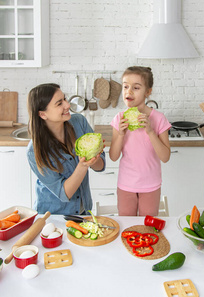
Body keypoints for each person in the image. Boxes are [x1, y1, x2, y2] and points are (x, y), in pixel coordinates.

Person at [27, 83, 105, 215]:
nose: (68, 105)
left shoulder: (79, 122)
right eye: (59, 103)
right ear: (42, 114)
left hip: (84, 211)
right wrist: (83, 165)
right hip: (53, 215)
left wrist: (94, 154)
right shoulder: (34, 150)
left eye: (65, 99)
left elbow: (100, 166)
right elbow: (65, 193)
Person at [109, 66, 171, 216]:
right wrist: (121, 134)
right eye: (125, 87)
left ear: (148, 92)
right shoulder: (119, 118)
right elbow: (113, 156)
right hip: (126, 184)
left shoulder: (158, 118)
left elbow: (165, 157)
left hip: (151, 185)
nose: (129, 92)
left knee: (148, 229)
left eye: (136, 88)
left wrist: (150, 132)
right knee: (127, 227)